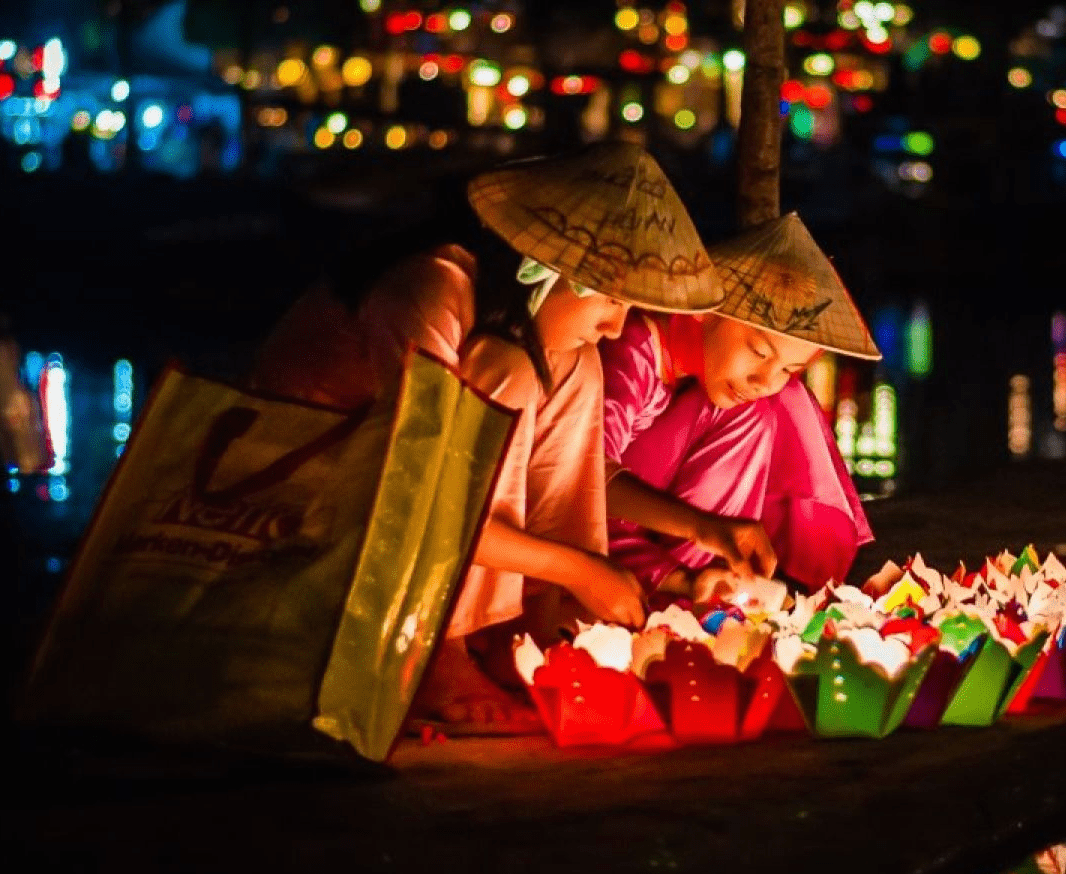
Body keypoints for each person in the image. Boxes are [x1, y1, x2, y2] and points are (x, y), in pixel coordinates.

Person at [249, 141, 723, 732]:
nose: (614, 326)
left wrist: (586, 571)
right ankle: (436, 651)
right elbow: (423, 499)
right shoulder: (430, 291)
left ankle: (526, 629)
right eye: (609, 299)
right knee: (518, 369)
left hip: (394, 498)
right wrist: (582, 569)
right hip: (301, 494)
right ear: (541, 271)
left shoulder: (524, 325)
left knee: (577, 367)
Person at [601, 212, 879, 604]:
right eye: (759, 352)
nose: (765, 379)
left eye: (789, 368)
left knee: (762, 406)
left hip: (636, 532)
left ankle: (710, 584)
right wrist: (704, 527)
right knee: (743, 410)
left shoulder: (699, 377)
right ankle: (697, 588)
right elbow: (586, 474)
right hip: (587, 528)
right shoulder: (632, 348)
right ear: (705, 306)